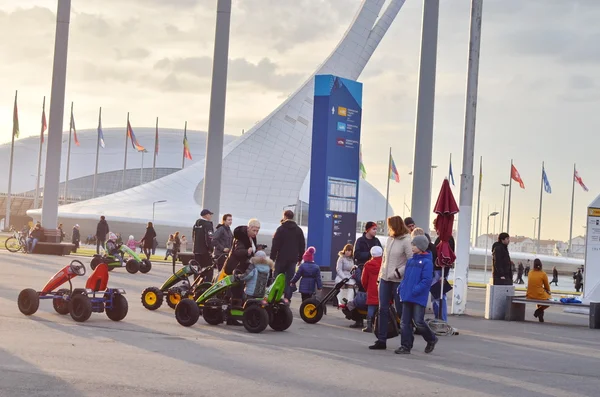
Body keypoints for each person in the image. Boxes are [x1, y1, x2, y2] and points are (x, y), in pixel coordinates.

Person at [369, 216, 412, 350]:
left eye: (390, 226)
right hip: (385, 279)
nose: (389, 229)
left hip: (398, 280)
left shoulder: (406, 240)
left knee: (400, 310)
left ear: (396, 226)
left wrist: (399, 272)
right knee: (382, 309)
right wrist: (380, 276)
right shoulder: (389, 239)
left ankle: (407, 341)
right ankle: (381, 340)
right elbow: (384, 259)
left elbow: (411, 261)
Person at [395, 235, 438, 355]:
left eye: (414, 245)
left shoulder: (427, 262)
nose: (412, 247)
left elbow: (426, 280)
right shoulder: (410, 261)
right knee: (404, 322)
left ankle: (431, 339)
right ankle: (405, 346)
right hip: (407, 295)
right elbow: (406, 278)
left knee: (418, 321)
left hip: (418, 296)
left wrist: (415, 290)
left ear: (421, 247)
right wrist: (401, 288)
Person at [221, 219, 261, 325]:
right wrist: (246, 251)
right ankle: (230, 316)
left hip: (241, 268)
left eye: (257, 230)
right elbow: (237, 251)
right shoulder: (240, 238)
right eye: (254, 230)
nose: (256, 233)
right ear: (248, 228)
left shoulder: (251, 238)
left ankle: (233, 314)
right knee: (235, 291)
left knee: (237, 291)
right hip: (234, 268)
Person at [270, 210, 306, 301]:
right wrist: (300, 257)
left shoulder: (281, 229)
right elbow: (302, 245)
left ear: (284, 216)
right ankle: (287, 299)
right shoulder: (298, 230)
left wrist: (272, 258)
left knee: (277, 278)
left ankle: (274, 297)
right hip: (292, 259)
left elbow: (275, 245)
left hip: (281, 258)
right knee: (289, 280)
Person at [430, 222, 453, 322]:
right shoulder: (442, 239)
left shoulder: (446, 239)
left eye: (436, 227)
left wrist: (445, 274)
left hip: (440, 271)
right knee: (437, 296)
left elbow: (448, 258)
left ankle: (442, 319)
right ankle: (439, 318)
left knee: (439, 296)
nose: (436, 230)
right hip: (438, 270)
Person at [354, 221, 382, 292]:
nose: (375, 231)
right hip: (362, 267)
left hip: (375, 268)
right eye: (374, 229)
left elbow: (381, 252)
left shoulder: (376, 241)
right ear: (368, 230)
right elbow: (356, 254)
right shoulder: (360, 240)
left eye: (376, 229)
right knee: (363, 286)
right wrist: (369, 254)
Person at [361, 245, 383, 333]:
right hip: (382, 287)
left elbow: (363, 280)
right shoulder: (385, 263)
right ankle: (382, 325)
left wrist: (367, 288)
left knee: (371, 307)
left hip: (371, 288)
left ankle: (369, 325)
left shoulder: (368, 264)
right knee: (383, 308)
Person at [526, 258, 551, 322]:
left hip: (530, 294)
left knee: (540, 299)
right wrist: (549, 292)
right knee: (549, 300)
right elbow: (547, 286)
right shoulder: (543, 274)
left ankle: (540, 313)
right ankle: (539, 310)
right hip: (539, 294)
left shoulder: (530, 273)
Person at [193, 209, 215, 278]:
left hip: (196, 251)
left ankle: (196, 283)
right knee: (208, 268)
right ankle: (206, 284)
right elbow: (209, 238)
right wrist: (211, 249)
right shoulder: (207, 225)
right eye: (210, 214)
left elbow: (193, 237)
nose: (211, 216)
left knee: (197, 268)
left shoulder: (195, 225)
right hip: (205, 251)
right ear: (206, 215)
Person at [336, 244, 356, 309]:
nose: (347, 252)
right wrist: (344, 277)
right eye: (346, 250)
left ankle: (349, 301)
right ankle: (341, 301)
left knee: (351, 286)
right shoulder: (341, 258)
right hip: (341, 275)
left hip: (350, 276)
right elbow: (338, 269)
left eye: (349, 251)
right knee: (341, 285)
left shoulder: (353, 259)